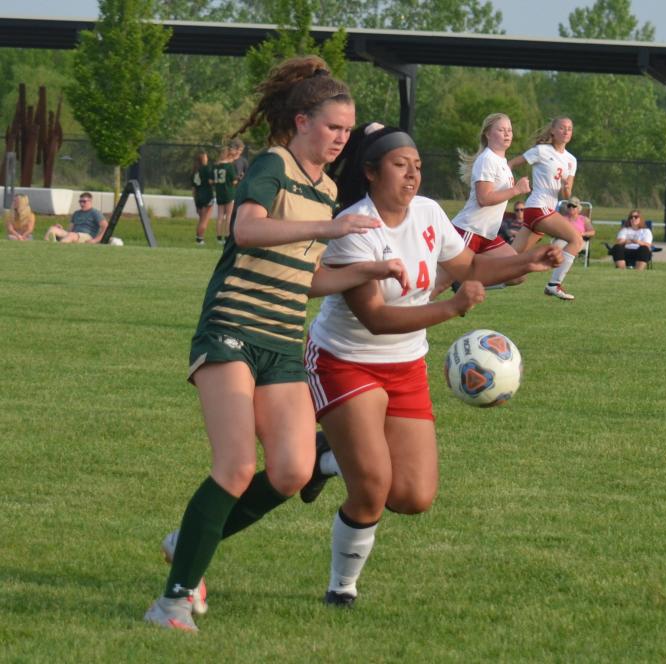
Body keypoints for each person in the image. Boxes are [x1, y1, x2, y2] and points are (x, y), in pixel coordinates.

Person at [144, 56, 408, 633]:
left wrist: (373, 271)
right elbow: (247, 228)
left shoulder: (326, 189)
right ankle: (172, 601)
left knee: (291, 471)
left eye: (347, 129)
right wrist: (329, 229)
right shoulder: (272, 164)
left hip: (283, 340)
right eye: (333, 127)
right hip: (232, 330)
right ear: (301, 121)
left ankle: (185, 541)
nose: (341, 138)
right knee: (237, 465)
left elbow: (307, 279)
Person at [299, 124, 562, 607]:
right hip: (345, 360)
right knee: (373, 488)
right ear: (371, 172)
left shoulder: (427, 214)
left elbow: (469, 268)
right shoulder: (355, 227)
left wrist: (527, 262)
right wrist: (453, 309)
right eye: (401, 165)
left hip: (405, 365)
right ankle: (342, 588)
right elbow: (376, 318)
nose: (413, 174)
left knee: (414, 497)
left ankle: (328, 457)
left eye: (418, 166)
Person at [432, 112, 531, 296]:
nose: (507, 134)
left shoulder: (501, 162)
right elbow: (484, 198)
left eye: (509, 130)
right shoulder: (487, 159)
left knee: (517, 273)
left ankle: (465, 282)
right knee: (438, 285)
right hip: (469, 231)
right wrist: (516, 190)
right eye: (501, 130)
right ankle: (406, 317)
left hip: (487, 235)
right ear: (488, 134)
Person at [508, 116, 581, 300]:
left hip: (545, 210)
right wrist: (508, 186)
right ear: (553, 131)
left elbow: (566, 195)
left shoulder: (572, 160)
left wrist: (566, 189)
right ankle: (554, 284)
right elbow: (511, 164)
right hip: (538, 207)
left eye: (570, 128)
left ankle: (480, 279)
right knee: (576, 240)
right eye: (562, 128)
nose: (566, 131)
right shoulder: (541, 151)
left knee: (510, 261)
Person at [212, 145, 239, 244]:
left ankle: (218, 237)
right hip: (229, 193)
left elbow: (212, 181)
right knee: (228, 216)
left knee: (219, 216)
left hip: (219, 193)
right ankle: (227, 236)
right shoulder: (229, 167)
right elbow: (234, 181)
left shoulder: (215, 166)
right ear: (228, 155)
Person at [191, 151, 214, 245]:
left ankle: (198, 236)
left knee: (201, 219)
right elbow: (210, 181)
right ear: (203, 159)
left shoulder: (194, 171)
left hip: (198, 197)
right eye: (206, 157)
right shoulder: (206, 169)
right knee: (205, 219)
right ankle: (200, 239)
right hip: (207, 195)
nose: (207, 159)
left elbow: (193, 189)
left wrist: (195, 201)